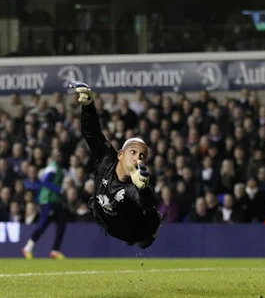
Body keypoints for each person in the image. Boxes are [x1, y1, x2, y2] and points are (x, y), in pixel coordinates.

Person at [73, 82, 161, 249]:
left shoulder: (137, 182)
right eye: (133, 152)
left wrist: (143, 189)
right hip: (102, 216)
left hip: (133, 231)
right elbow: (91, 132)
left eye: (142, 156)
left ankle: (150, 233)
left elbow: (147, 202)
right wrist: (88, 106)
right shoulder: (107, 158)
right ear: (120, 154)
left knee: (145, 237)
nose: (137, 158)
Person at [22, 149, 67, 259]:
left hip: (56, 201)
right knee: (43, 224)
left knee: (61, 225)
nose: (59, 156)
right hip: (48, 200)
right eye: (57, 154)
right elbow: (45, 182)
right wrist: (59, 189)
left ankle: (55, 251)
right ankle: (28, 247)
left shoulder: (59, 168)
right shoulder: (52, 167)